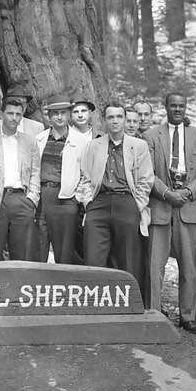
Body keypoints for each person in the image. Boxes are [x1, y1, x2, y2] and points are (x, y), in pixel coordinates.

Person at [145, 93, 196, 330]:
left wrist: (189, 193)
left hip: (188, 206)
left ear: (186, 108)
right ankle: (153, 314)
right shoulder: (151, 135)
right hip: (161, 205)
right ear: (165, 108)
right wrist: (166, 193)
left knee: (189, 264)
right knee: (155, 264)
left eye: (181, 106)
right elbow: (147, 172)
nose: (178, 110)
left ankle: (188, 317)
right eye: (173, 106)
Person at [76, 104, 154, 291]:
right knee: (94, 257)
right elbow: (85, 178)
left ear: (125, 119)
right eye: (111, 117)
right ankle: (95, 303)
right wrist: (88, 203)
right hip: (99, 202)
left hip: (127, 201)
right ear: (104, 120)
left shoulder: (138, 146)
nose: (115, 121)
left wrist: (137, 205)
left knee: (128, 258)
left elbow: (146, 180)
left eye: (119, 116)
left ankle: (129, 305)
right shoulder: (94, 146)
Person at [0, 97, 42, 261]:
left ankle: (21, 286)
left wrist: (32, 199)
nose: (14, 118)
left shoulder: (29, 141)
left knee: (23, 255)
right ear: (1, 113)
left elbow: (35, 172)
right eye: (10, 113)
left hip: (21, 200)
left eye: (18, 114)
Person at [34, 99, 90, 264]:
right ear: (49, 117)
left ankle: (64, 286)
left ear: (68, 115)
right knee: (38, 245)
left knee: (65, 251)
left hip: (65, 199)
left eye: (63, 113)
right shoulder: (39, 139)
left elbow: (86, 175)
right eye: (55, 113)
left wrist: (76, 198)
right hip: (42, 198)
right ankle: (39, 284)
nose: (59, 117)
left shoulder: (81, 141)